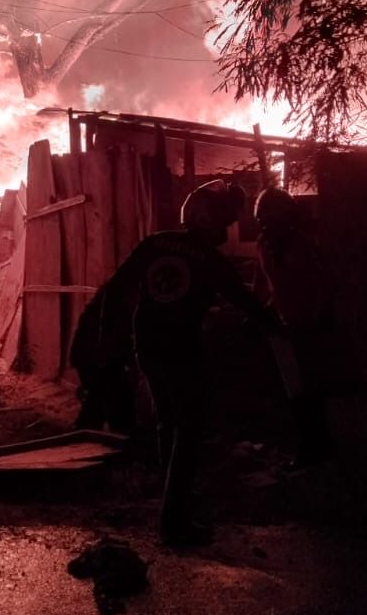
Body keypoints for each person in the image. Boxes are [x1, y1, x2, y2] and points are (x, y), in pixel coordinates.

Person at [72, 179, 282, 547]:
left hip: (148, 349)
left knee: (168, 424)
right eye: (225, 219)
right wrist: (278, 327)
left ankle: (171, 502)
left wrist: (109, 337)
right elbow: (244, 301)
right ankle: (174, 521)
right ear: (211, 218)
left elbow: (117, 289)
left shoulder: (154, 243)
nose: (227, 227)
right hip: (181, 350)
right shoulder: (211, 260)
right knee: (188, 429)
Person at [254, 186, 351, 468]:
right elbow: (263, 285)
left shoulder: (303, 245)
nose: (266, 225)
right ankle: (310, 449)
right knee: (295, 393)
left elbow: (324, 285)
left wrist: (316, 319)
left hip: (310, 328)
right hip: (284, 329)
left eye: (270, 219)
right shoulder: (264, 245)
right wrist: (257, 312)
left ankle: (318, 450)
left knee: (312, 392)